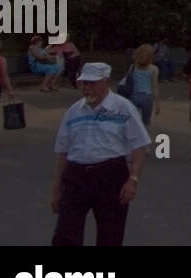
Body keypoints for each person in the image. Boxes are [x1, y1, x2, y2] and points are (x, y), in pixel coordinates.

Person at [50, 62, 151, 246]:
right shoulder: (73, 112)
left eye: (92, 83)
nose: (87, 88)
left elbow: (140, 145)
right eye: (84, 83)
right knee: (65, 234)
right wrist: (56, 190)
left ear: (106, 82)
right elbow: (62, 152)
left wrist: (133, 180)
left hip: (110, 175)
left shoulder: (123, 108)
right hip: (76, 176)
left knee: (110, 234)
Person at [118, 44, 160, 129]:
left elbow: (128, 81)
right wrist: (157, 104)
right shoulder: (154, 69)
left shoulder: (132, 67)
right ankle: (145, 138)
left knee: (134, 121)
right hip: (147, 97)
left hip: (134, 96)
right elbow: (154, 87)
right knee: (146, 122)